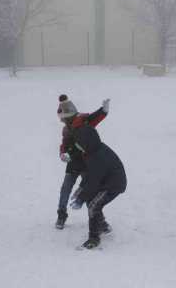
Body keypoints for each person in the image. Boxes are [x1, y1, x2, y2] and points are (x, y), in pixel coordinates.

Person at [65, 102, 126, 250]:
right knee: (92, 201)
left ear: (85, 142)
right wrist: (81, 190)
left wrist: (81, 197)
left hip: (114, 184)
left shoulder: (96, 157)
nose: (77, 146)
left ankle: (94, 238)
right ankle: (102, 225)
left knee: (93, 204)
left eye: (79, 144)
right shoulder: (91, 152)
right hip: (105, 181)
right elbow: (89, 178)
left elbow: (93, 181)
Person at [55, 95, 109, 229]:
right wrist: (63, 154)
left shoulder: (84, 122)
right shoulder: (66, 129)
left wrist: (103, 110)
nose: (61, 121)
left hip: (87, 163)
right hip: (73, 163)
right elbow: (64, 145)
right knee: (65, 190)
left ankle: (100, 221)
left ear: (68, 116)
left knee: (90, 192)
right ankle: (61, 215)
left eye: (63, 118)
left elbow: (95, 117)